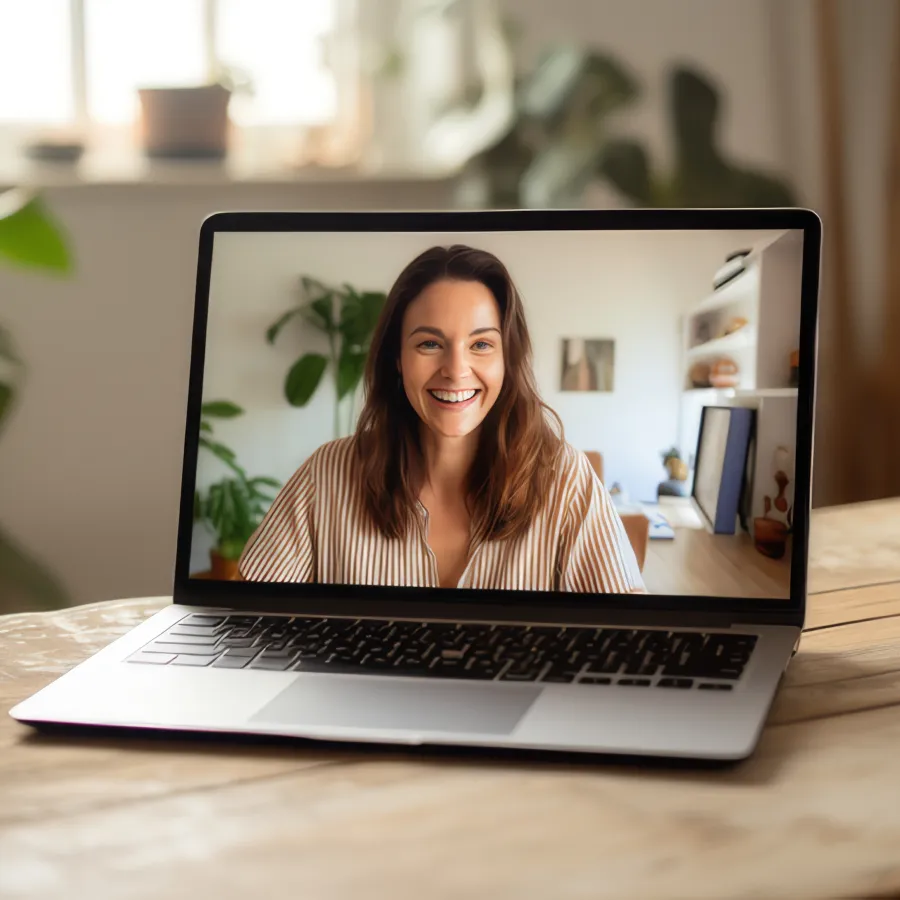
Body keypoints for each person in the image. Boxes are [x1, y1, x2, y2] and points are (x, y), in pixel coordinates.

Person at [238, 245, 645, 594]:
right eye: (430, 343)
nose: (456, 369)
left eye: (481, 344)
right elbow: (241, 623)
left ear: (508, 360)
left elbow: (629, 638)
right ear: (397, 359)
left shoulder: (565, 480)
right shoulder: (326, 476)